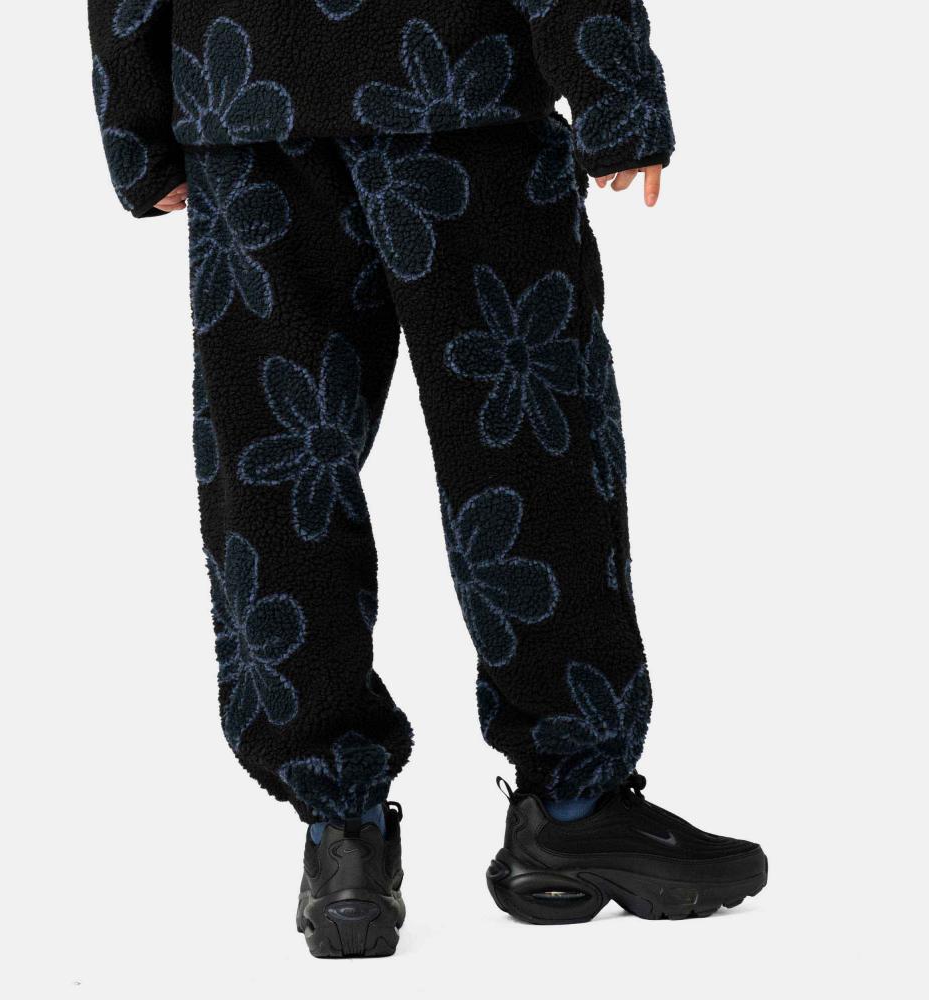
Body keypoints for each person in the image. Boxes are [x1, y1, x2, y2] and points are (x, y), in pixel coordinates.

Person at [89, 0, 767, 957]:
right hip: (455, 79)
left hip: (249, 91)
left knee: (280, 467)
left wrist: (137, 112)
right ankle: (571, 805)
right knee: (531, 452)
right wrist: (611, 80)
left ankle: (343, 842)